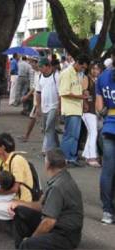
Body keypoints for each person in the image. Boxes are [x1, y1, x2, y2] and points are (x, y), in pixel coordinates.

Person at [9, 148, 83, 250]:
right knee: (20, 211)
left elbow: (49, 222)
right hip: (59, 227)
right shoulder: (61, 177)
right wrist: (19, 203)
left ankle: (24, 246)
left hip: (64, 236)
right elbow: (41, 205)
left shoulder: (57, 187)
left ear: (47, 165)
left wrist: (31, 239)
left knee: (28, 244)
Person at [59, 54, 90, 166]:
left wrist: (83, 95)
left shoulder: (77, 74)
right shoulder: (66, 73)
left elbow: (77, 90)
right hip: (70, 109)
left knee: (75, 136)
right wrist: (81, 97)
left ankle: (72, 158)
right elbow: (64, 92)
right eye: (82, 67)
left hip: (77, 109)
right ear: (77, 63)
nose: (83, 69)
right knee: (70, 135)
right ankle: (64, 159)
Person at [96, 48, 115, 224]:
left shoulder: (102, 78)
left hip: (109, 128)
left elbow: (99, 108)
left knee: (108, 171)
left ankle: (108, 212)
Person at [36, 58, 60, 153]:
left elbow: (59, 93)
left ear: (47, 66)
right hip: (44, 107)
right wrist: (38, 107)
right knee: (49, 128)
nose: (39, 69)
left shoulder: (56, 76)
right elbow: (38, 93)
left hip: (54, 106)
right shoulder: (40, 77)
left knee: (48, 127)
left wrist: (59, 107)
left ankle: (46, 149)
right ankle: (57, 145)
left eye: (41, 67)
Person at [82, 62, 103, 167]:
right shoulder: (87, 79)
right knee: (93, 133)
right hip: (88, 110)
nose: (95, 71)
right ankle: (91, 157)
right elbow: (84, 93)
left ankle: (87, 154)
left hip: (94, 111)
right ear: (90, 69)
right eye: (94, 68)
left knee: (91, 133)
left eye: (97, 69)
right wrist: (85, 104)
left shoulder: (97, 80)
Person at [18, 57, 40, 142]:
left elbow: (36, 87)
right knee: (33, 118)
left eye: (32, 63)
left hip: (40, 101)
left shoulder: (40, 73)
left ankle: (26, 136)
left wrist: (27, 96)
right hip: (37, 99)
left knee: (34, 118)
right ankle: (26, 136)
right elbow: (34, 86)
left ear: (36, 62)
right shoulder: (36, 73)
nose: (30, 65)